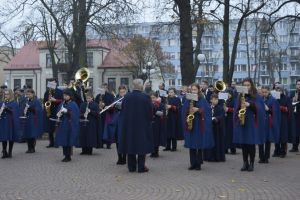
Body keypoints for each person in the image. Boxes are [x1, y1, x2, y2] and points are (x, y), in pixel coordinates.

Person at [118, 79, 154, 173]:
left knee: (130, 144)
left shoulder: (126, 97)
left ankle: (131, 167)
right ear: (141, 86)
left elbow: (123, 111)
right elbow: (150, 112)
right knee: (142, 145)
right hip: (142, 126)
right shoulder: (145, 97)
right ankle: (141, 167)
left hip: (129, 126)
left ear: (133, 86)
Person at [233, 78, 266, 172]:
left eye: (248, 85)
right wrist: (239, 109)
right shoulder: (240, 96)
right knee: (244, 144)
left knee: (251, 144)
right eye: (245, 85)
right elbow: (236, 108)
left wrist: (249, 104)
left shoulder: (256, 96)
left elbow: (260, 109)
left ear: (251, 85)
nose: (246, 87)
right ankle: (245, 163)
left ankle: (251, 163)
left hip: (252, 123)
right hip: (242, 121)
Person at [182, 83, 214, 170]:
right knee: (191, 144)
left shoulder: (202, 99)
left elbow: (207, 111)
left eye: (195, 89)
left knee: (198, 144)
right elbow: (184, 110)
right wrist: (187, 113)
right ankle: (193, 163)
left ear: (199, 90)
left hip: (199, 124)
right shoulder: (188, 99)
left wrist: (199, 110)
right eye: (192, 90)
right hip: (190, 123)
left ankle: (198, 163)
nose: (193, 91)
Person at [104, 85, 127, 164]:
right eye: (121, 92)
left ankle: (124, 158)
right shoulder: (116, 99)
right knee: (117, 141)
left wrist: (122, 106)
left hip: (124, 122)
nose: (122, 94)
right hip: (117, 122)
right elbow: (112, 112)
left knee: (123, 140)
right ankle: (119, 157)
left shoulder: (128, 99)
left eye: (123, 92)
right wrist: (110, 107)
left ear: (126, 92)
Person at [55, 89, 80, 162]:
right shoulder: (62, 103)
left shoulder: (73, 104)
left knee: (68, 140)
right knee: (64, 140)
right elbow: (59, 111)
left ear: (70, 96)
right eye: (64, 95)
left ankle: (68, 156)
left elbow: (75, 114)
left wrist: (67, 112)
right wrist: (59, 114)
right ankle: (65, 155)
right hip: (63, 124)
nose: (64, 97)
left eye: (66, 95)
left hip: (69, 125)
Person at [258, 86, 280, 163]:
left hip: (268, 122)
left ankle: (266, 157)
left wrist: (268, 109)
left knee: (267, 140)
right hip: (261, 122)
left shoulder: (273, 100)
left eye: (265, 92)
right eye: (262, 92)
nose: (264, 94)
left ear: (269, 92)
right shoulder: (259, 99)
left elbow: (275, 112)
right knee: (260, 139)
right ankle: (261, 157)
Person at [204, 93, 226, 162]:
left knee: (217, 142)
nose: (215, 101)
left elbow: (222, 116)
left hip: (217, 127)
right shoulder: (208, 107)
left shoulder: (220, 107)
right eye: (213, 99)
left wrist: (215, 118)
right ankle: (208, 156)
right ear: (210, 100)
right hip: (210, 127)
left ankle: (217, 156)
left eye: (216, 99)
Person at [21, 89, 44, 153]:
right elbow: (23, 108)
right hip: (27, 119)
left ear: (33, 94)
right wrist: (24, 110)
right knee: (27, 134)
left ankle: (32, 148)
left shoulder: (36, 101)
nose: (28, 95)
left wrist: (32, 109)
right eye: (27, 94)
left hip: (33, 119)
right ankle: (29, 148)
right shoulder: (26, 101)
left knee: (32, 134)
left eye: (29, 94)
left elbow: (39, 110)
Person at [43, 79, 63, 148]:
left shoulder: (60, 91)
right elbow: (45, 102)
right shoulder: (47, 92)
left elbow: (63, 100)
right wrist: (46, 108)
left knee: (57, 128)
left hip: (57, 111)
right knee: (50, 128)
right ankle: (51, 143)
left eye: (53, 83)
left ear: (56, 83)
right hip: (50, 111)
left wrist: (55, 100)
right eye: (51, 83)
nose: (52, 85)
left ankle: (57, 143)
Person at [0, 89, 20, 158]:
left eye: (7, 94)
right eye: (5, 94)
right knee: (4, 136)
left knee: (11, 136)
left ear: (11, 95)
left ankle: (10, 152)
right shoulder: (2, 102)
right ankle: (4, 152)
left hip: (10, 122)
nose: (6, 95)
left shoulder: (14, 103)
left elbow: (16, 113)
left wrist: (8, 109)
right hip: (3, 122)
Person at [95, 83, 115, 149]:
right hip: (100, 114)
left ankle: (108, 144)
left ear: (106, 88)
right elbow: (95, 104)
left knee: (107, 129)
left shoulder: (110, 95)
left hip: (107, 114)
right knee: (100, 128)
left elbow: (112, 104)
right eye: (102, 88)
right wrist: (98, 105)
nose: (103, 89)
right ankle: (100, 143)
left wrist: (105, 104)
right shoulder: (98, 96)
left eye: (104, 88)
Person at [150, 91, 166, 158]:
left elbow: (163, 113)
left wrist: (156, 111)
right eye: (151, 98)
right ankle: (152, 152)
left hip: (157, 123)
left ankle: (156, 152)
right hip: (151, 123)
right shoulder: (149, 104)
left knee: (156, 138)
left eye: (153, 98)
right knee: (151, 138)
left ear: (157, 98)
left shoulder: (160, 104)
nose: (152, 99)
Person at [224, 89, 236, 154]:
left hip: (231, 118)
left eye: (229, 94)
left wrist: (228, 109)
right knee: (225, 134)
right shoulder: (225, 100)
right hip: (226, 118)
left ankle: (232, 148)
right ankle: (225, 148)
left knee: (231, 134)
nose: (228, 95)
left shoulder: (234, 100)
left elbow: (235, 109)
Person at [289, 79, 300, 152]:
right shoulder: (293, 92)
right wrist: (292, 100)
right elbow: (289, 101)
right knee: (295, 130)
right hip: (294, 114)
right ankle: (294, 147)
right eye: (298, 84)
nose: (299, 86)